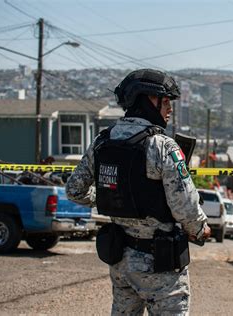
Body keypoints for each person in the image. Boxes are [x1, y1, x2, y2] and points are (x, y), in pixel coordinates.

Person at [65, 68, 211, 315]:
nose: (169, 108)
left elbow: (74, 190)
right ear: (147, 101)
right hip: (160, 265)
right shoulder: (163, 146)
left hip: (121, 261)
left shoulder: (102, 141)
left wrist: (102, 198)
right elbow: (184, 205)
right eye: (165, 101)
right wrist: (200, 229)